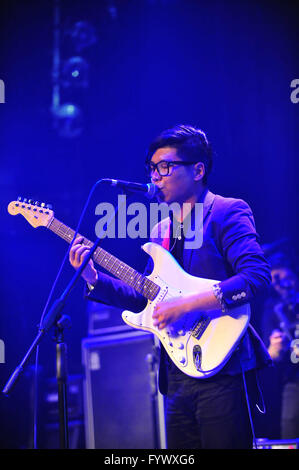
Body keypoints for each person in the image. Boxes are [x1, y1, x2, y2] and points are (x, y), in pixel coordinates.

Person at [69, 124, 272, 449]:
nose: (156, 177)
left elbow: (256, 278)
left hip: (225, 366)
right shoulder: (161, 230)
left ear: (198, 170)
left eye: (165, 167)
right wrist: (93, 278)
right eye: (152, 169)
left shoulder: (226, 211)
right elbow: (144, 297)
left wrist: (186, 305)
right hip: (177, 371)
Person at [260, 253, 299, 439]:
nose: (280, 285)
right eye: (274, 282)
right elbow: (269, 355)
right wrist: (274, 350)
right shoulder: (273, 309)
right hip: (293, 381)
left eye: (283, 278)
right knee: (289, 431)